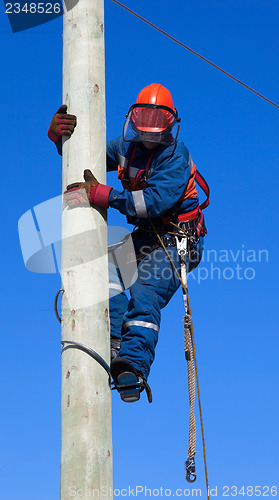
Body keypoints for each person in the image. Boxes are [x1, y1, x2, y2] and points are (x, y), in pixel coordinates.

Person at [48, 83, 209, 403]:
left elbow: (152, 204)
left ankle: (133, 366)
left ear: (169, 126)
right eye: (144, 124)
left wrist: (102, 195)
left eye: (157, 126)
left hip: (177, 239)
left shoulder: (175, 156)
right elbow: (85, 157)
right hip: (147, 236)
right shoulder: (125, 147)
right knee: (106, 276)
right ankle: (111, 347)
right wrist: (60, 139)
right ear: (134, 121)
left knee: (145, 288)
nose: (150, 135)